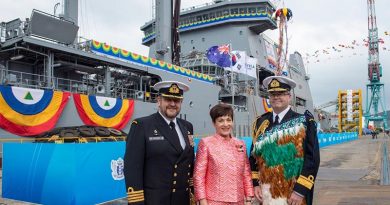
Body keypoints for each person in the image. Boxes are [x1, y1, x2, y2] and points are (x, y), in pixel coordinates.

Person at [249, 76, 320, 205]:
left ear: (289, 96)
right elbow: (253, 156)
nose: (276, 97)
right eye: (272, 94)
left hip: (293, 192)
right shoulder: (260, 123)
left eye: (281, 93)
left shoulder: (305, 122)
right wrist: (255, 184)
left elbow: (312, 159)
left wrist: (300, 191)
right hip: (267, 192)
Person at [124, 81, 195, 205]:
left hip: (182, 199)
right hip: (155, 200)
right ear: (159, 100)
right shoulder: (142, 126)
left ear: (181, 102)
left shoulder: (187, 127)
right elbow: (132, 168)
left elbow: (189, 163)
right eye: (168, 99)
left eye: (177, 100)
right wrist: (137, 202)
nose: (173, 104)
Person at [194, 104, 254, 205]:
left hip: (238, 200)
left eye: (229, 120)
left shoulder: (240, 144)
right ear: (214, 123)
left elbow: (246, 173)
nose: (226, 124)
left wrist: (248, 197)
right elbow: (198, 176)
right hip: (214, 201)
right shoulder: (206, 143)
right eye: (221, 121)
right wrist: (202, 200)